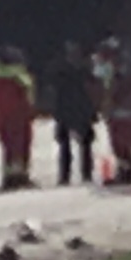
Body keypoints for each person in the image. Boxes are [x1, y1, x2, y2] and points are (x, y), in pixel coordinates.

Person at [0, 46, 36, 189]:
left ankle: (8, 177)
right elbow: (28, 95)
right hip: (19, 116)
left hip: (1, 116)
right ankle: (21, 176)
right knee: (22, 146)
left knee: (8, 147)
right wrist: (30, 110)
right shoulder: (20, 77)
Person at [50, 40, 100, 186]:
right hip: (69, 109)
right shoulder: (72, 69)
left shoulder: (78, 69)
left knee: (84, 143)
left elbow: (92, 89)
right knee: (66, 144)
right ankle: (67, 175)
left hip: (78, 109)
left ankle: (85, 173)